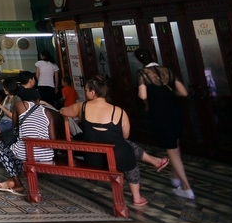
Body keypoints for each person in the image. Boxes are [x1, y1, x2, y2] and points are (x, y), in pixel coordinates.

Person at [60, 74, 169, 207]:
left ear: (92, 93)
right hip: (117, 158)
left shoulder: (81, 107)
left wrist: (61, 109)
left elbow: (64, 111)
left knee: (127, 147)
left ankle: (155, 161)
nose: (86, 93)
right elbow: (125, 135)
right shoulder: (119, 111)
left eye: (87, 91)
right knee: (129, 156)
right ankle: (137, 197)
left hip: (93, 158)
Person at [134, 48, 194, 198]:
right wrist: (169, 94)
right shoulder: (168, 70)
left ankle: (187, 187)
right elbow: (184, 92)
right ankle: (175, 179)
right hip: (176, 111)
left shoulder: (143, 74)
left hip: (160, 114)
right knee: (176, 144)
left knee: (171, 149)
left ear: (139, 60)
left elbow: (142, 95)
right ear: (153, 56)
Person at [0, 96, 54, 195]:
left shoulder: (20, 105)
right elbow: (53, 138)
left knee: (1, 146)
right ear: (38, 101)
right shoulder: (48, 113)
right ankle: (11, 180)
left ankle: (17, 183)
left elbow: (15, 124)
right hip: (47, 155)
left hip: (28, 152)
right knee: (17, 150)